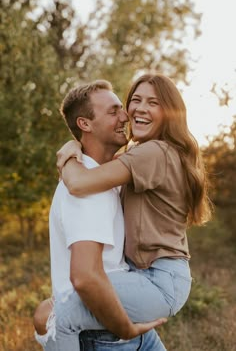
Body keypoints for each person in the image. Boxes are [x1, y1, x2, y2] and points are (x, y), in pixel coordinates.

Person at [55, 73, 212, 344]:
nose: (139, 108)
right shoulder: (151, 153)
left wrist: (67, 152)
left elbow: (79, 183)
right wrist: (78, 142)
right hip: (155, 276)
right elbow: (103, 162)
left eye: (153, 103)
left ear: (170, 113)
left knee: (60, 312)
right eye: (135, 100)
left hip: (157, 279)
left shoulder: (154, 153)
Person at [34, 79, 167, 351]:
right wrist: (125, 329)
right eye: (113, 111)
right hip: (107, 335)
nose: (125, 116)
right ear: (85, 124)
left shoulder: (101, 176)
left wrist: (70, 149)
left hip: (122, 326)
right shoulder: (87, 194)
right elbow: (85, 276)